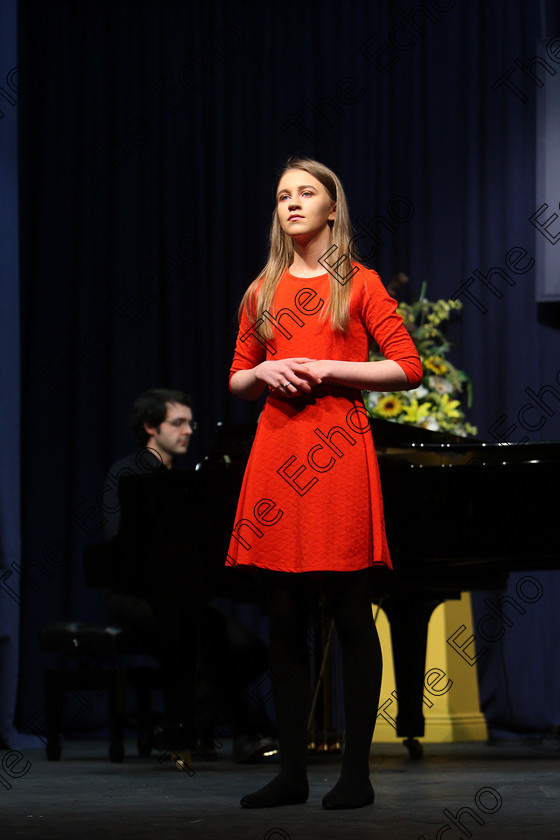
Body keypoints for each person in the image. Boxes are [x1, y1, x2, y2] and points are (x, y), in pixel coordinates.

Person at [227, 158, 423, 810]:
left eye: (306, 192)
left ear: (333, 208)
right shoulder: (262, 288)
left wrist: (325, 369)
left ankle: (356, 774)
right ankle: (291, 773)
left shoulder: (356, 281)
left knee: (347, 609)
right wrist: (267, 375)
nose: (292, 202)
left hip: (336, 451)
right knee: (284, 615)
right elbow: (237, 377)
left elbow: (407, 367)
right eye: (283, 194)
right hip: (277, 454)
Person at [101, 389, 277, 765]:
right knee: (201, 640)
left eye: (191, 423)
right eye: (177, 423)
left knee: (245, 649)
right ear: (151, 427)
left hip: (176, 595)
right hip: (132, 598)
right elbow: (120, 548)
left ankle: (186, 728)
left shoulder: (182, 482)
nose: (188, 431)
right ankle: (239, 732)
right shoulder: (127, 474)